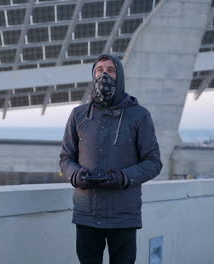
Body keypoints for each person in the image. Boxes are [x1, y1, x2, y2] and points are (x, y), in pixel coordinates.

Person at [59, 54, 163, 264]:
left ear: (120, 76)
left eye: (110, 70)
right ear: (93, 75)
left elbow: (153, 162)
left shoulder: (139, 115)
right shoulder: (78, 114)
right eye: (99, 70)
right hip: (87, 214)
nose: (104, 74)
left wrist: (123, 177)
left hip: (123, 215)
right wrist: (76, 175)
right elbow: (65, 158)